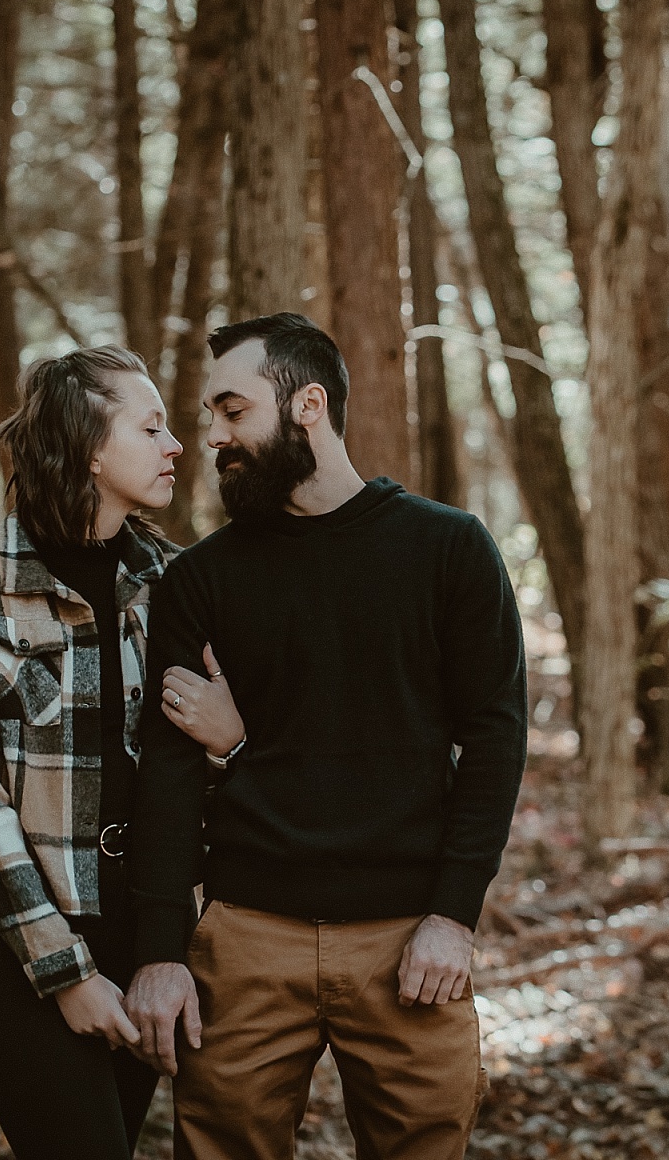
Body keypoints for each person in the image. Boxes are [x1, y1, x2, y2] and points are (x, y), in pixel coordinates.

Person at [124, 313, 528, 1160]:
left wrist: (454, 915)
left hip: (410, 938)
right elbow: (164, 774)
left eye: (232, 412)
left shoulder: (448, 549)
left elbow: (495, 739)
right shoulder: (198, 580)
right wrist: (161, 951)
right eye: (209, 417)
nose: (212, 437)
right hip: (244, 940)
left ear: (308, 404)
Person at [0, 345, 246, 1160]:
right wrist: (63, 972)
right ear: (92, 449)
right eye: (153, 427)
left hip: (138, 934)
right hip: (6, 936)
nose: (178, 445)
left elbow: (204, 765)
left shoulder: (177, 581)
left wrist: (229, 743)